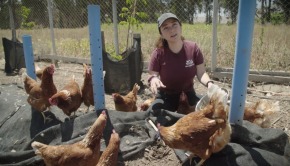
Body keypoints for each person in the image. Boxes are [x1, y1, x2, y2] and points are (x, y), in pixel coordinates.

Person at [147, 12, 214, 112]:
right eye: (166, 28)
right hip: (166, 97)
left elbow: (201, 73)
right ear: (161, 33)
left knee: (209, 111)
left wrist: (210, 84)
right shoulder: (158, 53)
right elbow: (152, 75)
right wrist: (153, 79)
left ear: (180, 26)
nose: (172, 30)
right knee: (154, 113)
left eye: (174, 24)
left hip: (187, 95)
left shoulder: (193, 48)